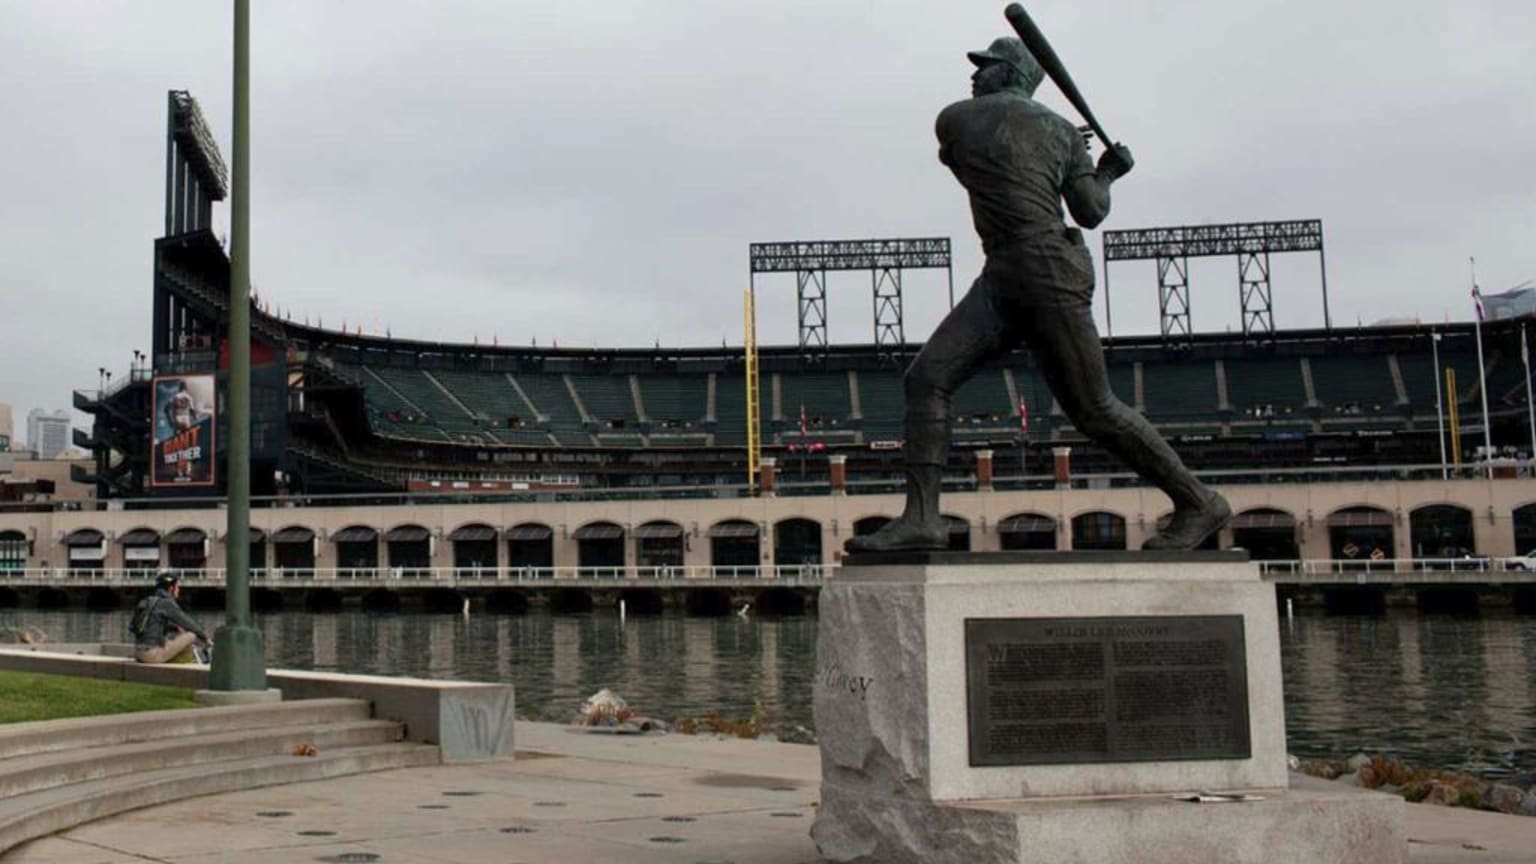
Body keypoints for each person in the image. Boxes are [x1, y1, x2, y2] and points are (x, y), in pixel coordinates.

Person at [847, 36, 1230, 553]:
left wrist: (1085, 162)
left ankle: (1198, 500)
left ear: (1013, 74)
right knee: (928, 379)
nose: (976, 76)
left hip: (1044, 269)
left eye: (988, 67)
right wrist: (1108, 172)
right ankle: (921, 519)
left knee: (1094, 409)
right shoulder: (1059, 132)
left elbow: (964, 161)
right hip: (1010, 270)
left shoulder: (958, 119)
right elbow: (1091, 210)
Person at [131, 572, 210, 663]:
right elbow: (187, 622)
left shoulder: (147, 601)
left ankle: (183, 661)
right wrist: (205, 638)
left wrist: (175, 628)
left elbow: (151, 625)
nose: (179, 590)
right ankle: (187, 663)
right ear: (171, 588)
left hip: (139, 652)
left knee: (175, 636)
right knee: (191, 635)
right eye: (177, 587)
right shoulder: (166, 603)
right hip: (152, 655)